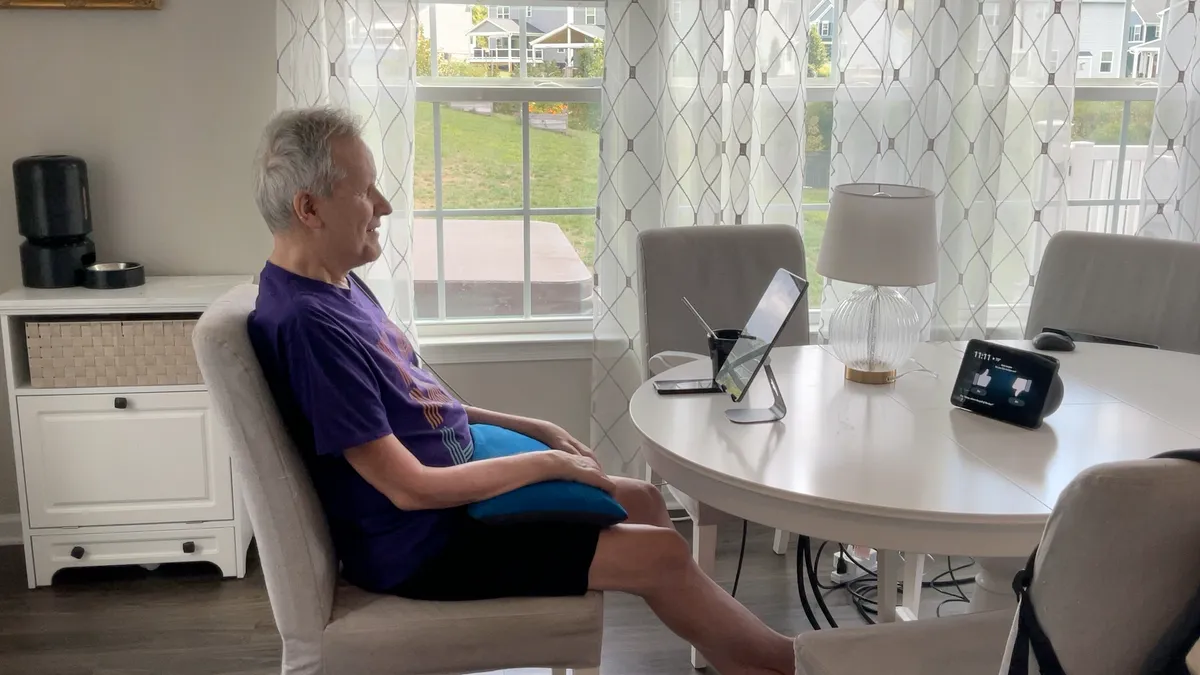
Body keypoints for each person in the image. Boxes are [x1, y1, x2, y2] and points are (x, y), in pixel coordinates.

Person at [247, 106, 796, 675]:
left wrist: (530, 429)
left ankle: (737, 657)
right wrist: (546, 465)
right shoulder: (309, 327)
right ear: (309, 209)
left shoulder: (338, 285)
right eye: (364, 191)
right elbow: (410, 488)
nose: (384, 205)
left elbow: (419, 404)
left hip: (459, 502)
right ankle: (787, 665)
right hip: (427, 541)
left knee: (646, 501)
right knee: (659, 554)